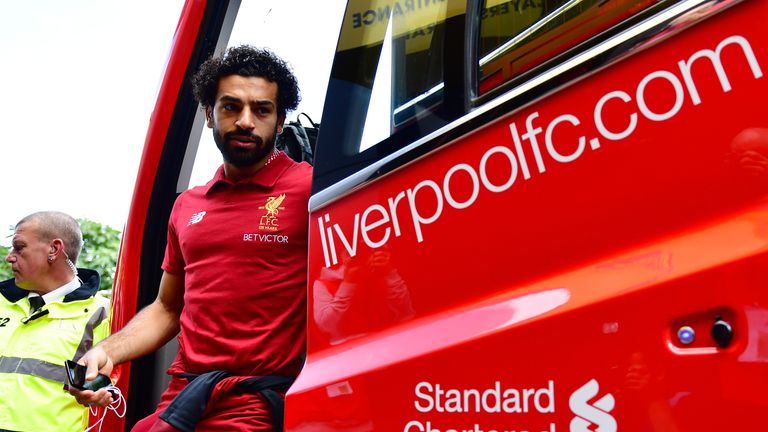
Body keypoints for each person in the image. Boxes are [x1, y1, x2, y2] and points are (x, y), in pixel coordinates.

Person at [72, 45, 312, 432]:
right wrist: (105, 351)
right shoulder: (189, 205)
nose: (246, 121)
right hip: (183, 400)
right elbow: (167, 309)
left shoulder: (312, 190)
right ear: (208, 114)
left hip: (256, 406)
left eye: (262, 110)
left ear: (280, 120)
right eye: (231, 107)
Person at [0, 211, 111, 432]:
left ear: (54, 249)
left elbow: (107, 386)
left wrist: (99, 391)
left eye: (19, 247)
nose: (9, 257)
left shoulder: (102, 312)